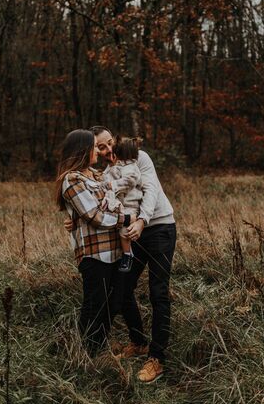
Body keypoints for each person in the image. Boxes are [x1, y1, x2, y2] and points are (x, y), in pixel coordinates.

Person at [90, 126, 177, 383]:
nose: (108, 151)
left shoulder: (140, 157)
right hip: (132, 233)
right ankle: (138, 342)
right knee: (123, 287)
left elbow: (150, 190)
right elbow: (98, 201)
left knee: (158, 291)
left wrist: (142, 220)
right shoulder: (107, 171)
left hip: (159, 227)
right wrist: (74, 221)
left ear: (114, 140)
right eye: (101, 147)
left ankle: (157, 358)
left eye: (109, 144)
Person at [55, 129, 136, 357]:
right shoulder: (71, 180)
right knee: (95, 304)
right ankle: (86, 354)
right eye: (93, 147)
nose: (97, 152)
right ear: (82, 150)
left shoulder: (96, 175)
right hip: (94, 254)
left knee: (111, 304)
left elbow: (111, 202)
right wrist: (127, 218)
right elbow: (96, 216)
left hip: (115, 251)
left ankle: (99, 349)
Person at [102, 135, 143, 273]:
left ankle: (127, 255)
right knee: (120, 229)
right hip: (122, 205)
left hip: (131, 207)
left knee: (124, 232)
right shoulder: (120, 165)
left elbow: (129, 181)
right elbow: (107, 176)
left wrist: (111, 185)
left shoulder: (132, 168)